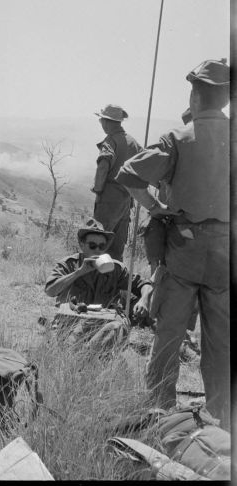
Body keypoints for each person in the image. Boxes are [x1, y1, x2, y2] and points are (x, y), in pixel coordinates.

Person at [116, 58, 230, 430]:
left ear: (195, 97)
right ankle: (221, 424)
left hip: (183, 250)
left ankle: (161, 417)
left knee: (169, 338)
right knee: (220, 345)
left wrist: (157, 207)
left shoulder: (177, 139)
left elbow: (129, 174)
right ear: (225, 99)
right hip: (226, 257)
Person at [44, 218, 153, 351]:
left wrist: (144, 299)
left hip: (102, 324)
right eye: (92, 246)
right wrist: (78, 273)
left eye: (102, 246)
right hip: (72, 322)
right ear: (82, 244)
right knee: (68, 346)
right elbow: (50, 290)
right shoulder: (69, 264)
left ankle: (86, 357)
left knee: (118, 328)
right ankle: (83, 357)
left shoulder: (115, 268)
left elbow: (143, 284)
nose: (97, 250)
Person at [91, 105, 143, 262]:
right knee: (117, 248)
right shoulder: (133, 142)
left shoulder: (111, 141)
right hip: (127, 200)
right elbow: (145, 166)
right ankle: (114, 283)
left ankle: (93, 282)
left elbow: (103, 166)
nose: (101, 123)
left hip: (109, 199)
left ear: (107, 122)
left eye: (101, 120)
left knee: (97, 243)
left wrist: (98, 191)